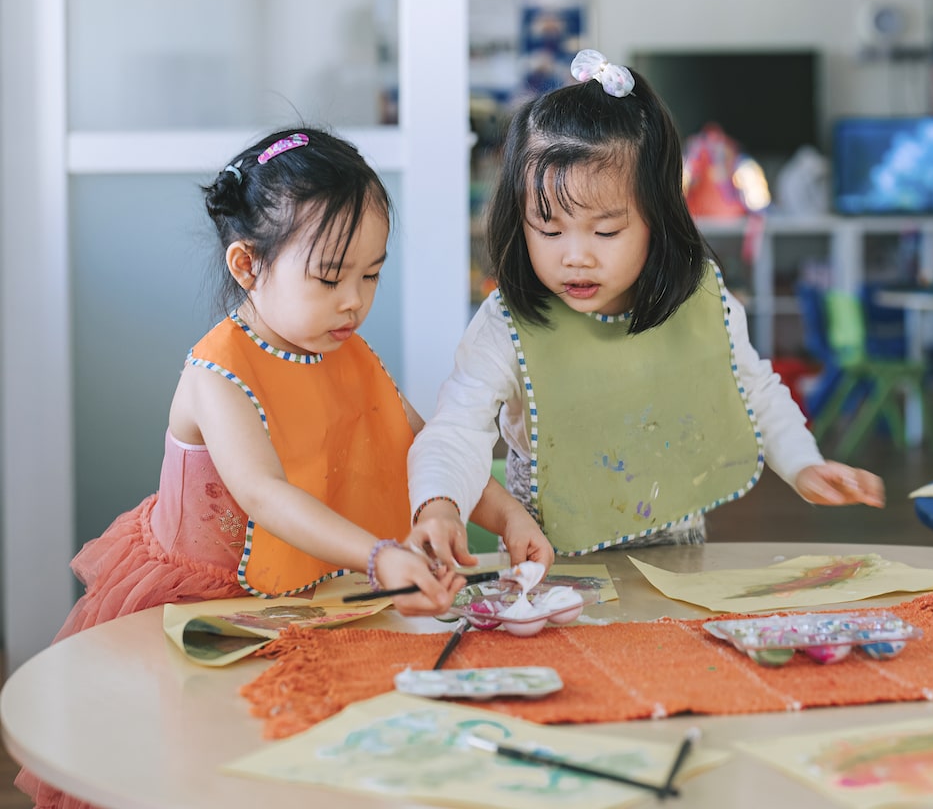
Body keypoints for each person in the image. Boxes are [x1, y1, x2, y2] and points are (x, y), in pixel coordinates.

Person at [18, 126, 543, 808]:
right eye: (329, 276)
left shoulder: (346, 352)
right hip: (203, 610)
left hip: (308, 596)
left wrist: (505, 516)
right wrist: (379, 556)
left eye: (371, 274)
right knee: (204, 767)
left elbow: (426, 445)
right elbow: (264, 496)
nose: (354, 300)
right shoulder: (216, 373)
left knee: (302, 766)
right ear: (247, 265)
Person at [407, 50, 884, 569]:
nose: (576, 256)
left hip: (675, 556)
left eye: (606, 231)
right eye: (548, 230)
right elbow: (457, 429)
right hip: (548, 565)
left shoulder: (699, 301)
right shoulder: (506, 325)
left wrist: (802, 465)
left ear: (657, 218)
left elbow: (754, 390)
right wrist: (439, 504)